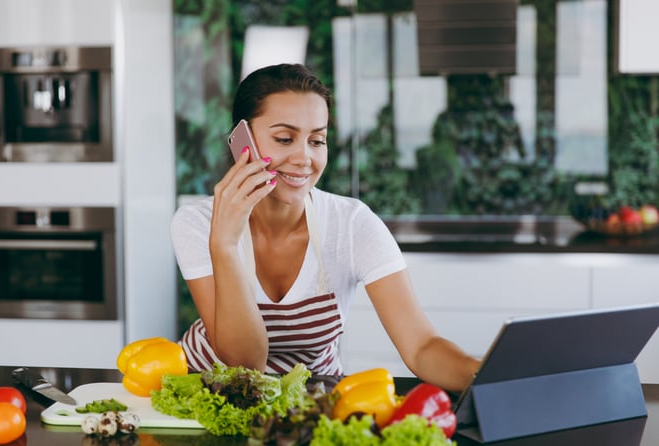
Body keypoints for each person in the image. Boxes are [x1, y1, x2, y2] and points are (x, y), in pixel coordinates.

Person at [170, 63, 480, 392]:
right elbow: (245, 365)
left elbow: (421, 347)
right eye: (285, 138)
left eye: (317, 140)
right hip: (208, 394)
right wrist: (225, 245)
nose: (304, 158)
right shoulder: (198, 224)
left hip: (313, 398)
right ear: (241, 141)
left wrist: (486, 376)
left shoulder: (351, 224)